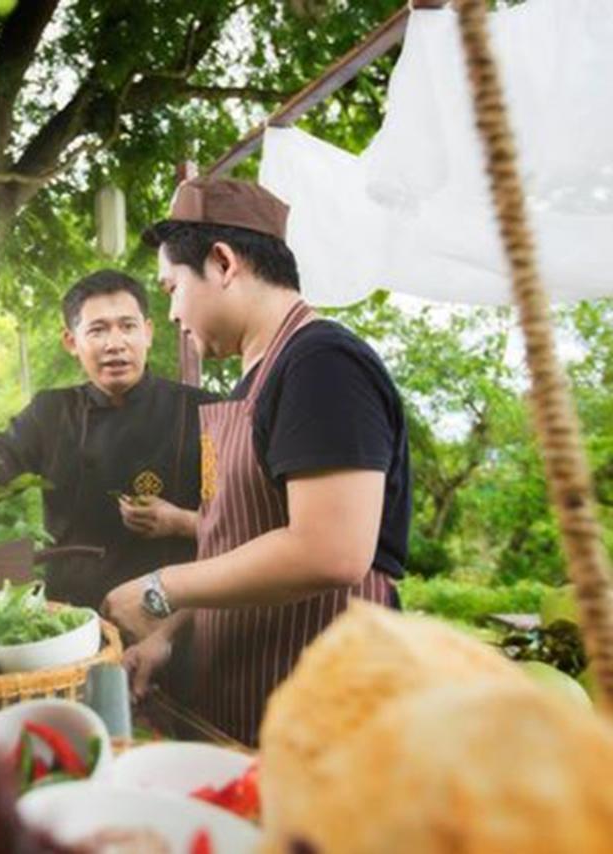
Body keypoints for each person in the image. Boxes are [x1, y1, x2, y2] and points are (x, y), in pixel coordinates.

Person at [101, 178, 411, 747]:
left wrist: (160, 587)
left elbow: (331, 548)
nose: (171, 312)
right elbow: (241, 544)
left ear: (222, 263)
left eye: (173, 287)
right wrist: (169, 632)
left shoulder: (322, 363)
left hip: (324, 722)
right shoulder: (256, 382)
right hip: (248, 707)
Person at [0, 269, 216, 611]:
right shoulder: (51, 411)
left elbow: (244, 524)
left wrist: (180, 522)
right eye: (98, 330)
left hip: (170, 616)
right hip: (72, 615)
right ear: (71, 342)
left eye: (128, 326)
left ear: (148, 332)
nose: (115, 343)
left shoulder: (199, 410)